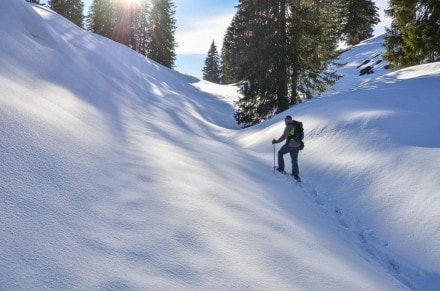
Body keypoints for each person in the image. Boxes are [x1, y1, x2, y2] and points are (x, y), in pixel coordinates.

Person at [272, 115, 302, 182]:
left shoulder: (289, 126)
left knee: (280, 153)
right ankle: (296, 176)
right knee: (294, 160)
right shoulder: (297, 125)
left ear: (288, 120)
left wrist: (276, 141)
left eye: (285, 120)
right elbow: (301, 136)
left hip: (290, 145)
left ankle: (281, 168)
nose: (284, 121)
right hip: (297, 146)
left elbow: (284, 136)